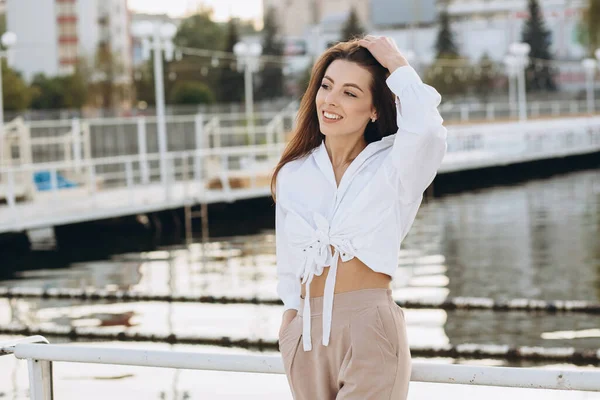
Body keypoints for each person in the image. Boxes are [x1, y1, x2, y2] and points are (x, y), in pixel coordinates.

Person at [271, 35, 447, 399]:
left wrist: (397, 63)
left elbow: (427, 129)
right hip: (304, 334)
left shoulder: (395, 166)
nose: (331, 100)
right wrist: (290, 316)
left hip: (370, 328)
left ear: (374, 110)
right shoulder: (295, 172)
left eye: (350, 93)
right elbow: (288, 258)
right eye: (326, 86)